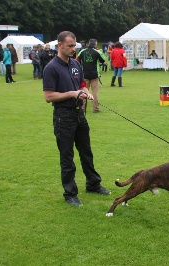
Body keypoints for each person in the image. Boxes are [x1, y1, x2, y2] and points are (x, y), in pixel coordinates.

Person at [43, 31, 110, 206]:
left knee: (86, 152)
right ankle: (70, 193)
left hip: (79, 114)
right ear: (60, 46)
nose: (73, 49)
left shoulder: (75, 64)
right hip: (63, 116)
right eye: (70, 46)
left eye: (75, 46)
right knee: (67, 157)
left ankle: (93, 184)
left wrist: (86, 93)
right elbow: (48, 96)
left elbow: (82, 85)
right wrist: (72, 94)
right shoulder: (51, 68)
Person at [76, 39, 106, 112]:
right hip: (94, 74)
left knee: (84, 91)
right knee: (94, 92)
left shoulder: (82, 51)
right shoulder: (97, 52)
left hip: (84, 74)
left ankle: (82, 108)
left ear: (88, 44)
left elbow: (77, 61)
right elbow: (103, 61)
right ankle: (96, 108)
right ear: (95, 44)